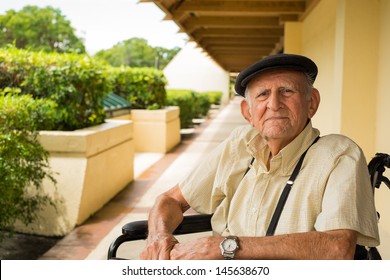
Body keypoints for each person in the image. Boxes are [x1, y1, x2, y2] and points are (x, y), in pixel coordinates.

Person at [140, 53, 379, 260]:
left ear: (312, 102)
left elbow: (337, 248)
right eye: (263, 95)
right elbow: (170, 200)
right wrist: (158, 237)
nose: (274, 104)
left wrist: (224, 247)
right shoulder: (239, 144)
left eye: (287, 91)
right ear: (248, 113)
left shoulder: (338, 154)